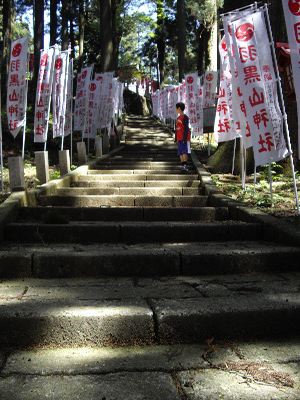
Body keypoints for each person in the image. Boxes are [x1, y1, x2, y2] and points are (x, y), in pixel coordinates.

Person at [175, 102, 191, 172]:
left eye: (176, 108)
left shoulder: (185, 117)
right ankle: (182, 166)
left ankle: (185, 166)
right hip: (179, 138)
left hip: (184, 138)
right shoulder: (178, 118)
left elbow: (186, 128)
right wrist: (176, 138)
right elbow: (177, 128)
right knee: (180, 152)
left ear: (179, 108)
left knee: (184, 152)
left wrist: (184, 138)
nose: (176, 110)